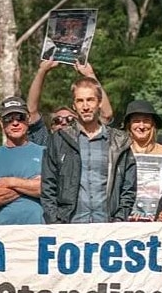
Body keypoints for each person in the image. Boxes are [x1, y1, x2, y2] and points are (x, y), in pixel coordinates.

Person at [41, 77, 137, 223]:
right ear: (74, 105)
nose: (85, 106)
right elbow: (48, 186)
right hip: (70, 225)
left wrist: (119, 219)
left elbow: (129, 187)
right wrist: (56, 222)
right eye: (80, 101)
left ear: (99, 103)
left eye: (90, 100)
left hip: (107, 226)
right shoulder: (59, 140)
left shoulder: (118, 141)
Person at [0, 97, 44, 225]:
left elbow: (45, 189)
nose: (15, 123)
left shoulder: (45, 152)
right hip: (2, 234)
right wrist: (30, 184)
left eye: (20, 117)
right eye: (9, 119)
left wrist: (10, 181)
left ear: (28, 119)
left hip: (39, 229)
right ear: (1, 124)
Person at [25, 60, 112, 146]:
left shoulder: (88, 139)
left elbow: (106, 115)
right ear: (51, 127)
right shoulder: (47, 142)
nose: (63, 123)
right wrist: (42, 71)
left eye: (70, 120)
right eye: (57, 120)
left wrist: (90, 74)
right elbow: (31, 112)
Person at [122, 100, 162, 185]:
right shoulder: (121, 152)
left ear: (153, 124)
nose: (141, 126)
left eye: (146, 121)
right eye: (136, 121)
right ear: (129, 125)